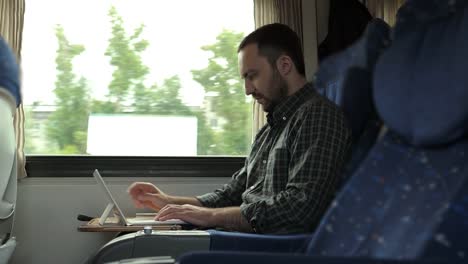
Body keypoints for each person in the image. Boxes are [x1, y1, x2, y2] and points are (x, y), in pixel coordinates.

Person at [128, 23, 351, 234]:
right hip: (245, 235)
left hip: (271, 245)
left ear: (284, 65)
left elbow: (299, 209)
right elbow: (233, 193)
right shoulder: (269, 130)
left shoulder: (318, 115)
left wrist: (212, 217)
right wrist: (171, 201)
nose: (247, 90)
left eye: (252, 76)